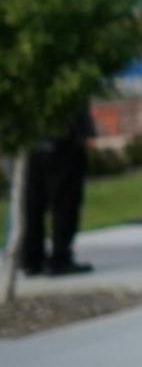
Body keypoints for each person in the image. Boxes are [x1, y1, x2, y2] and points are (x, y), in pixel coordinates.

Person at [17, 102, 94, 276]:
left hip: (33, 142)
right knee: (64, 202)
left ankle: (32, 259)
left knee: (33, 202)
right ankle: (60, 258)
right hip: (64, 141)